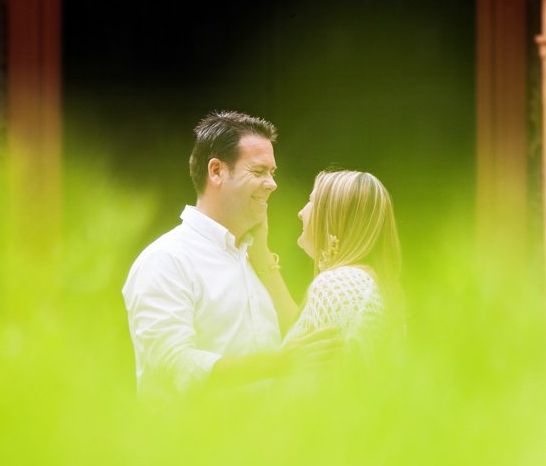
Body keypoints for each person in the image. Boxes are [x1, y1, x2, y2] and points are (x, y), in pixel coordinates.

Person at [122, 110, 340, 399]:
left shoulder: (255, 257)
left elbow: (300, 337)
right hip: (191, 443)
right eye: (259, 172)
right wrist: (279, 363)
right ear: (216, 171)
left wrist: (263, 258)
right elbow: (178, 367)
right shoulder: (166, 259)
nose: (272, 184)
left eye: (272, 173)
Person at [285, 170, 404, 350]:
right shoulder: (370, 285)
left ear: (333, 215)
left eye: (311, 200)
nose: (301, 213)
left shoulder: (339, 285)